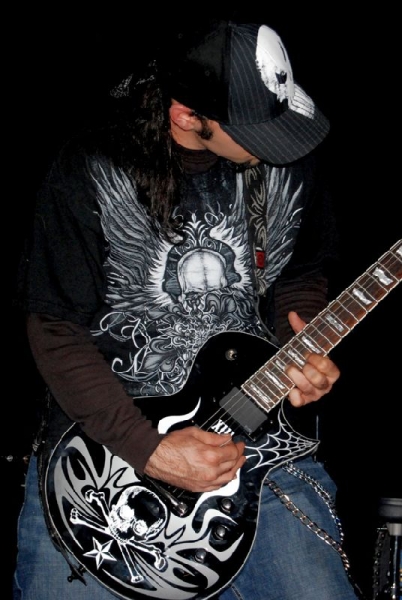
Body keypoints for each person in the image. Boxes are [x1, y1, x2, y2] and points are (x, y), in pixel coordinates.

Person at [13, 17, 363, 600]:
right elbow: (54, 327)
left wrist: (299, 347)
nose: (278, 145)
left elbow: (300, 271)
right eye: (255, 130)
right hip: (105, 457)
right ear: (185, 116)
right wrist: (149, 450)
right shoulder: (90, 168)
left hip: (258, 443)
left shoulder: (283, 153)